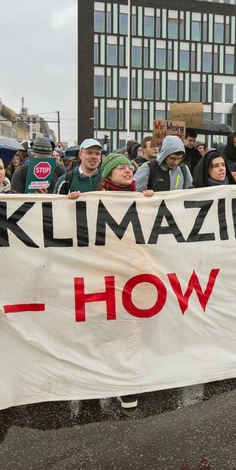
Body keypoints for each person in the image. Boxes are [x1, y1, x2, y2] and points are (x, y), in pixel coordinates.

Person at [69, 152, 153, 408]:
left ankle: (125, 384)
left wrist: (150, 201)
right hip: (103, 272)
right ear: (109, 175)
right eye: (121, 169)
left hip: (132, 272)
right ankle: (96, 379)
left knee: (130, 327)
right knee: (102, 327)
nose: (128, 171)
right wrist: (71, 203)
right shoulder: (94, 200)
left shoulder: (141, 199)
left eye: (130, 167)